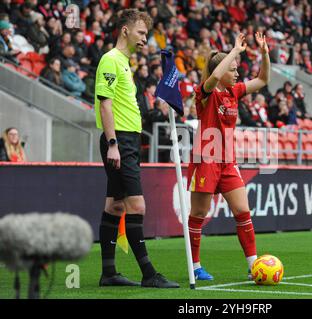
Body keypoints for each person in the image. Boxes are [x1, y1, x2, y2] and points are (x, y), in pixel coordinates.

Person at [94, 8, 179, 288]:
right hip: (119, 140)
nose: (146, 38)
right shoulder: (110, 60)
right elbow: (105, 103)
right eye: (142, 32)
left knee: (115, 205)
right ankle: (149, 274)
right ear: (125, 30)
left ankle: (109, 273)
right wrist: (114, 144)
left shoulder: (124, 63)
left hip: (126, 140)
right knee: (136, 205)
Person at [187, 32, 270, 280]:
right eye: (232, 70)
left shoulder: (235, 92)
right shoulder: (205, 93)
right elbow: (212, 78)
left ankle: (254, 265)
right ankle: (195, 266)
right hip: (205, 161)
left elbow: (263, 80)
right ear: (221, 70)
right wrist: (234, 51)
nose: (236, 74)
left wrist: (265, 53)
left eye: (237, 70)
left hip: (227, 162)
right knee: (199, 215)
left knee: (243, 211)